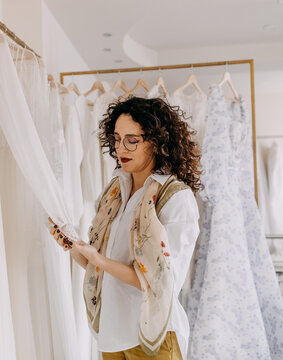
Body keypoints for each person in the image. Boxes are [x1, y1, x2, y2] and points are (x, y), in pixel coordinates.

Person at [50, 96, 202, 360]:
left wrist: (100, 259)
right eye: (117, 138)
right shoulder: (114, 191)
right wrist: (77, 249)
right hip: (112, 332)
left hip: (154, 336)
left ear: (155, 142)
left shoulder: (175, 198)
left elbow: (163, 280)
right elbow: (106, 266)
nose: (122, 147)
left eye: (132, 140)